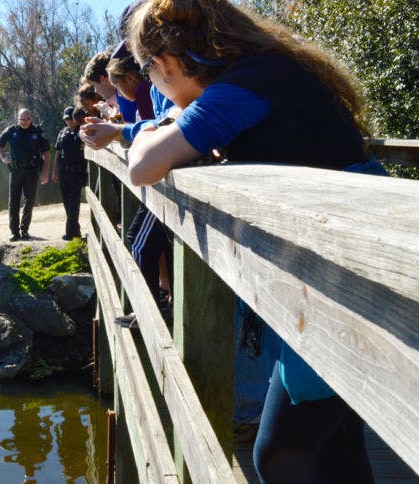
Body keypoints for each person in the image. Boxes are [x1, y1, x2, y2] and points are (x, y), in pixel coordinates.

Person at [126, 0, 387, 481]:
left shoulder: (246, 85)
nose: (153, 84)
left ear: (163, 63)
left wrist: (145, 126)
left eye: (147, 72)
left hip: (351, 276)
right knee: (338, 444)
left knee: (279, 454)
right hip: (341, 259)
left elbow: (143, 166)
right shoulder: (266, 72)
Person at [0, 108, 51, 242]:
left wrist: (45, 172)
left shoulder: (37, 132)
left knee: (29, 201)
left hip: (32, 171)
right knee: (13, 202)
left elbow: (47, 153)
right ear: (17, 119)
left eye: (27, 119)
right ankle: (14, 232)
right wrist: (3, 157)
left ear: (31, 118)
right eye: (22, 119)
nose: (24, 122)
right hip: (15, 171)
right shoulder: (12, 131)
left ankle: (24, 230)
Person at [52, 106, 87, 240]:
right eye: (66, 119)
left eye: (70, 119)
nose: (69, 122)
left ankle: (70, 233)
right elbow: (57, 153)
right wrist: (54, 171)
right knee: (67, 202)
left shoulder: (82, 132)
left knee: (74, 203)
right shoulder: (62, 133)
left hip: (77, 173)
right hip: (64, 173)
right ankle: (76, 231)